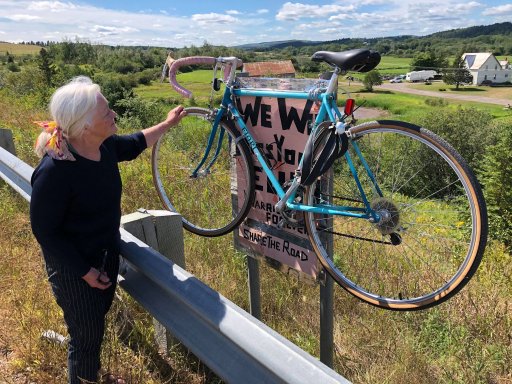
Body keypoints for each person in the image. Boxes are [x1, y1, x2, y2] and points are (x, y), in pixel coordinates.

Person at [30, 76, 186, 384]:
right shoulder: (55, 172)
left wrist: (167, 123)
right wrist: (85, 271)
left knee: (93, 325)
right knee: (85, 340)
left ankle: (91, 374)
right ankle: (85, 377)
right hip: (74, 269)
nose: (113, 115)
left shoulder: (104, 146)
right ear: (85, 125)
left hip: (104, 255)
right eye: (106, 113)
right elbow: (45, 232)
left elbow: (137, 142)